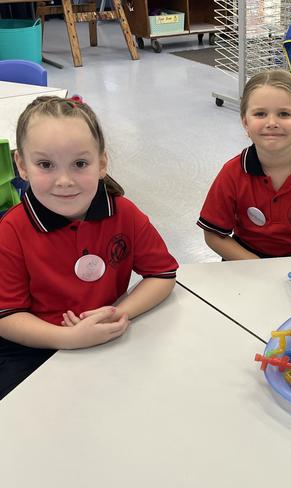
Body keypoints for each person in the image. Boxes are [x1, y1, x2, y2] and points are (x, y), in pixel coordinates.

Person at [0, 96, 178, 399]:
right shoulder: (11, 231)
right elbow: (7, 317)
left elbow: (162, 275)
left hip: (108, 334)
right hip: (31, 349)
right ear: (22, 166)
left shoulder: (124, 213)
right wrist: (69, 338)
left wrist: (117, 313)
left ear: (102, 163)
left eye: (80, 164)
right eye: (46, 164)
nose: (65, 181)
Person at [198, 70, 291, 260]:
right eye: (260, 114)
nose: (272, 123)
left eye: (284, 114)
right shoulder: (232, 173)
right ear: (245, 123)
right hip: (246, 261)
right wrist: (257, 266)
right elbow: (213, 235)